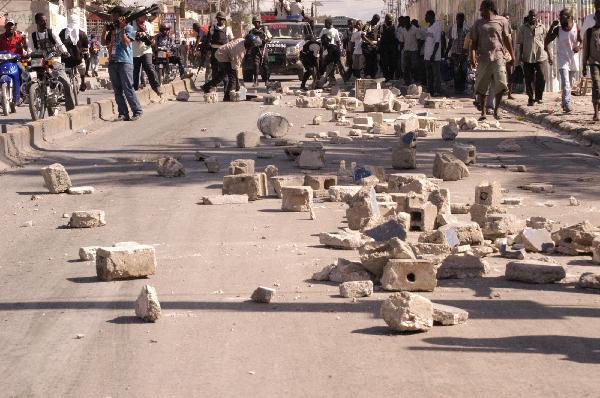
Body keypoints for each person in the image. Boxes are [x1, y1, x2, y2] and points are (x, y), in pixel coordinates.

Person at [470, 0, 514, 121]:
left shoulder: (502, 21)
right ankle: (483, 112)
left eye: (482, 9)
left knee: (500, 83)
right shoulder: (478, 24)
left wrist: (512, 55)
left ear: (489, 8)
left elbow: (507, 40)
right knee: (482, 86)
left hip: (498, 56)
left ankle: (496, 110)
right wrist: (472, 56)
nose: (480, 12)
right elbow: (473, 43)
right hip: (483, 58)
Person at [102, 6, 143, 121]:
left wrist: (122, 29)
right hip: (113, 61)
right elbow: (104, 43)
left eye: (113, 15)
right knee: (117, 90)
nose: (111, 17)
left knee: (128, 88)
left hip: (124, 61)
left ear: (119, 16)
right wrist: (105, 31)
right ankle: (123, 113)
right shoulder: (113, 29)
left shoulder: (129, 28)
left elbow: (126, 43)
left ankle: (137, 111)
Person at [30, 12, 75, 112]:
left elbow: (59, 44)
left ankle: (70, 108)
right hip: (40, 62)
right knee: (29, 78)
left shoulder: (51, 32)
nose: (45, 23)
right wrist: (28, 56)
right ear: (37, 22)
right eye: (42, 21)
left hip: (53, 60)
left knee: (66, 83)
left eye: (46, 21)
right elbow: (31, 50)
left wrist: (65, 52)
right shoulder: (33, 36)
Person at [201, 35, 261, 101]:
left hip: (224, 52)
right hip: (222, 55)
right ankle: (227, 96)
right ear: (250, 44)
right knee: (232, 78)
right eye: (253, 46)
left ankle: (206, 86)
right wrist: (238, 84)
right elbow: (235, 68)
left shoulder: (242, 41)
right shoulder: (239, 51)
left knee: (221, 75)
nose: (253, 48)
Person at [545, 8, 581, 113]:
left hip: (573, 59)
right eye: (559, 16)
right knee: (565, 83)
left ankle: (564, 102)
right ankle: (566, 105)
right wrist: (552, 26)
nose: (560, 19)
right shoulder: (558, 29)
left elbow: (582, 41)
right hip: (562, 59)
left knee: (570, 84)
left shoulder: (576, 27)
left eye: (562, 17)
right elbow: (546, 41)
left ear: (569, 17)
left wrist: (579, 47)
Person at [517, 10, 548, 106]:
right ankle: (531, 98)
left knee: (542, 77)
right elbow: (521, 44)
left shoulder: (542, 27)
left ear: (537, 17)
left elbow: (547, 42)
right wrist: (520, 55)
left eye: (534, 16)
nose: (533, 17)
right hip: (527, 56)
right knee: (528, 78)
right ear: (529, 17)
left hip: (540, 55)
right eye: (531, 16)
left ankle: (539, 97)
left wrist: (549, 55)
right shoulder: (523, 28)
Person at [131, 10, 161, 95]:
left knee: (149, 67)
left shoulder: (149, 25)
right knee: (135, 71)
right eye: (143, 16)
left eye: (146, 16)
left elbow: (152, 39)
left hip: (146, 50)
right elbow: (130, 36)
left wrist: (150, 41)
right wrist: (137, 35)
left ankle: (156, 87)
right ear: (138, 16)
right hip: (135, 51)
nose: (145, 17)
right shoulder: (131, 24)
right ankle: (134, 90)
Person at [59, 15, 89, 93]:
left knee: (62, 72)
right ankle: (83, 81)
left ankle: (62, 88)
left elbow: (58, 43)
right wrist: (83, 51)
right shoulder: (82, 33)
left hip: (65, 59)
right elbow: (86, 46)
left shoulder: (62, 32)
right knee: (82, 67)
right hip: (77, 58)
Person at [206, 12, 234, 86]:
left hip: (224, 52)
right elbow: (208, 40)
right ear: (217, 19)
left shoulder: (228, 29)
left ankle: (226, 91)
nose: (221, 21)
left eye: (222, 19)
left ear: (224, 20)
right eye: (219, 19)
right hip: (214, 51)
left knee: (224, 72)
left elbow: (231, 41)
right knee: (214, 70)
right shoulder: (212, 28)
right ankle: (214, 88)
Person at [582, 9, 600, 120]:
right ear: (595, 18)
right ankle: (596, 113)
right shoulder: (589, 32)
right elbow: (585, 50)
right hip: (594, 63)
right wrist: (584, 65)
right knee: (597, 86)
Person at [446, 13, 469, 94]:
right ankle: (457, 88)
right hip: (455, 53)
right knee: (455, 71)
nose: (459, 20)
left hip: (464, 53)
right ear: (456, 19)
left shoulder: (466, 29)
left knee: (463, 70)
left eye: (461, 19)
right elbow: (450, 41)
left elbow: (468, 42)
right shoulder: (452, 28)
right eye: (458, 19)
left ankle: (462, 88)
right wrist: (447, 52)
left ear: (463, 19)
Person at [247, 16, 272, 87]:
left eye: (257, 22)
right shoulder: (251, 31)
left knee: (265, 66)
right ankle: (256, 81)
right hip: (255, 50)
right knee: (255, 65)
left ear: (259, 22)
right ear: (253, 23)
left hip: (263, 49)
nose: (256, 23)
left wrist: (266, 40)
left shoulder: (265, 30)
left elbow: (270, 38)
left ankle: (266, 81)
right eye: (255, 22)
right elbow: (248, 40)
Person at [423, 10, 442, 96]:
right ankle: (430, 92)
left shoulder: (436, 26)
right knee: (429, 75)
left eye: (426, 16)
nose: (425, 18)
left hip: (434, 57)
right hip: (427, 56)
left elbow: (437, 42)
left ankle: (437, 91)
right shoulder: (429, 27)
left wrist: (433, 55)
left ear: (431, 16)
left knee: (436, 75)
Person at [399, 17, 419, 85]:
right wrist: (401, 51)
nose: (405, 24)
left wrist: (418, 51)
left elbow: (419, 40)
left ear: (409, 22)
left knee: (414, 67)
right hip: (406, 51)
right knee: (406, 68)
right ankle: (407, 82)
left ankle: (415, 81)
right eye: (404, 22)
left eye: (406, 22)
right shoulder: (403, 30)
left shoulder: (415, 29)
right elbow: (402, 42)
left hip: (414, 51)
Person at [378, 14, 398, 81]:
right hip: (384, 48)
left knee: (392, 64)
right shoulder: (382, 27)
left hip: (392, 48)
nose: (389, 22)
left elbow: (396, 38)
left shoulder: (395, 27)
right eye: (388, 20)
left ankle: (391, 77)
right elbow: (380, 37)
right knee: (384, 64)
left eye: (390, 21)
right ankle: (386, 77)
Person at [362, 14, 381, 79]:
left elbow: (378, 36)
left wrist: (377, 43)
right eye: (376, 20)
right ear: (373, 18)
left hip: (374, 46)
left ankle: (373, 75)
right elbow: (363, 36)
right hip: (367, 46)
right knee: (368, 61)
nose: (376, 22)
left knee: (374, 61)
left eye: (377, 21)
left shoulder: (377, 26)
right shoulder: (367, 25)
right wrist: (370, 43)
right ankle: (367, 74)